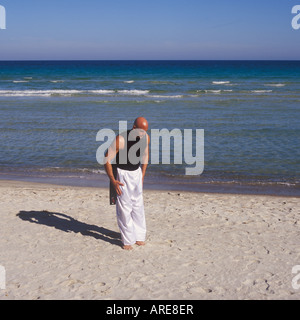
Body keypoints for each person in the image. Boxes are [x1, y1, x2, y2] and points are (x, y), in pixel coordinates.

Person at [104, 117, 150, 250]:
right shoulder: (121, 139)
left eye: (146, 131)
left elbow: (146, 155)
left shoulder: (145, 137)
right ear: (134, 128)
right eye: (142, 131)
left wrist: (142, 175)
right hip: (122, 174)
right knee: (125, 208)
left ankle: (139, 237)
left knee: (138, 205)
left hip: (136, 173)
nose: (144, 134)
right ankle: (127, 240)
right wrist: (113, 180)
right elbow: (107, 159)